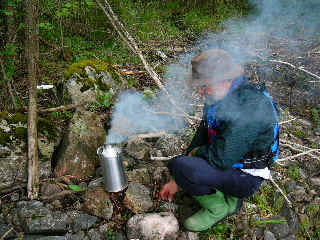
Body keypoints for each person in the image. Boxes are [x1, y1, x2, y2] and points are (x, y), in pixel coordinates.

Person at [160, 49, 280, 232]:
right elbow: (203, 133)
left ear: (225, 80)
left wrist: (190, 159)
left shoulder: (250, 107)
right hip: (230, 161)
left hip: (247, 175)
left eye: (205, 85)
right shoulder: (218, 95)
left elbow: (221, 158)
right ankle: (227, 197)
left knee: (181, 165)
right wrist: (177, 179)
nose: (200, 91)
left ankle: (219, 208)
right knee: (179, 166)